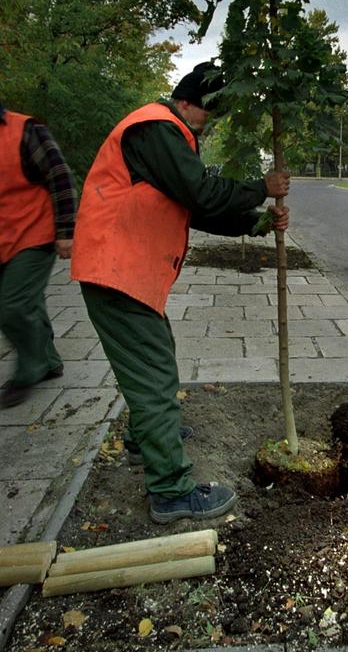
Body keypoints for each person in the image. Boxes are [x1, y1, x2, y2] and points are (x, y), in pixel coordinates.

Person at [71, 62, 290, 524]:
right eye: (209, 113)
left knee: (157, 356)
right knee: (153, 377)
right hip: (117, 271)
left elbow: (197, 208)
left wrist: (259, 221)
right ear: (189, 102)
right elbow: (203, 193)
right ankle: (171, 491)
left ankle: (143, 437)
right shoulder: (157, 127)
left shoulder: (166, 136)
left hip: (126, 272)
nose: (210, 124)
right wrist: (260, 188)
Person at [0, 103, 77, 408]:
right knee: (27, 301)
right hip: (3, 237)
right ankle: (48, 361)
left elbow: (60, 177)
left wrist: (66, 230)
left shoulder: (26, 130)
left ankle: (28, 370)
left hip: (34, 232)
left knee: (12, 305)